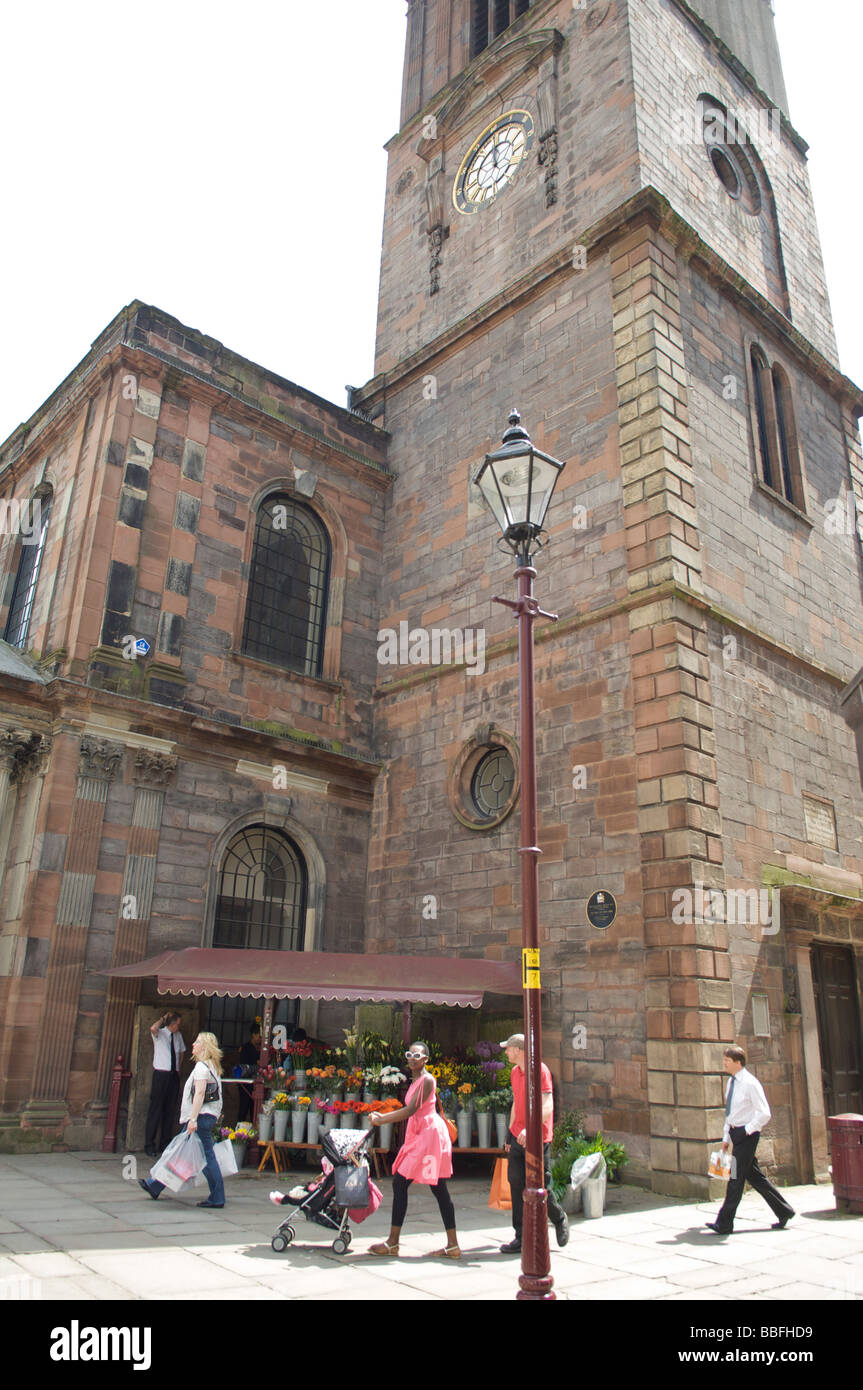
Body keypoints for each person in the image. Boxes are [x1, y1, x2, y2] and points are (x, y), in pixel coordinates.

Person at [367, 1041, 460, 1259]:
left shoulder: (427, 1080)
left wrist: (382, 1120)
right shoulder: (416, 1080)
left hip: (428, 1136)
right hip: (421, 1135)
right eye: (409, 1054)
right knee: (433, 1187)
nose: (412, 1058)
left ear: (426, 1059)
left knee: (407, 1182)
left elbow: (410, 1110)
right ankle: (451, 1245)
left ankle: (393, 1242)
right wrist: (383, 1116)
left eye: (417, 1055)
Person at [706, 1045, 795, 1235]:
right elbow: (730, 1113)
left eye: (727, 1061)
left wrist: (746, 1131)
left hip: (747, 1135)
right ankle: (784, 1210)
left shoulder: (751, 1083)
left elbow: (764, 1113)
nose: (724, 1063)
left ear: (738, 1063)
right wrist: (725, 1137)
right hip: (735, 1132)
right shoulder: (731, 1083)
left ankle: (724, 1223)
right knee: (754, 1176)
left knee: (735, 1178)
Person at [139, 1031, 226, 1209]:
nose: (193, 1044)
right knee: (181, 1153)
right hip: (205, 1117)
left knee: (207, 1157)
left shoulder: (202, 1068)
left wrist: (192, 1119)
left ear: (204, 1047)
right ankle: (155, 1185)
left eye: (197, 1042)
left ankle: (218, 1197)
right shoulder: (211, 1067)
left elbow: (200, 1094)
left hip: (200, 1117)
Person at [499, 1033, 569, 1254]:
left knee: (541, 1185)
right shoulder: (514, 1072)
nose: (506, 1052)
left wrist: (531, 1128)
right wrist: (510, 1134)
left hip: (538, 1137)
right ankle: (521, 1236)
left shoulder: (540, 1070)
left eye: (508, 1048)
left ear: (518, 1050)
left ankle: (559, 1218)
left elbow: (547, 1104)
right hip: (518, 1135)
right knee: (516, 1182)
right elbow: (516, 1104)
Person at [144, 1011, 185, 1157]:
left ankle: (165, 1143)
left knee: (170, 1110)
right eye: (177, 1024)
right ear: (171, 1024)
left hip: (173, 1074)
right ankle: (149, 1144)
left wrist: (178, 1068)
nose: (178, 1027)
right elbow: (152, 1028)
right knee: (156, 1109)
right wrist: (163, 1018)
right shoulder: (160, 1034)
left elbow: (181, 1052)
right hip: (161, 1074)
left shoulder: (178, 1036)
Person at [237, 1023, 261, 1123]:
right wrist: (257, 1064)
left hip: (256, 1083)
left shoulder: (260, 1049)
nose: (260, 1039)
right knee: (243, 1108)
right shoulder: (245, 1048)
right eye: (259, 1036)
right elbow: (243, 1066)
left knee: (254, 1110)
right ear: (253, 1035)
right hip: (246, 1084)